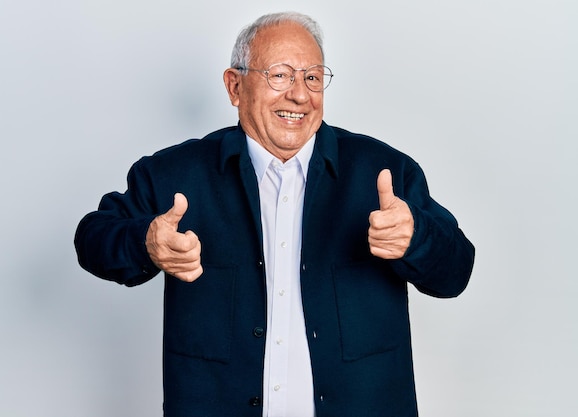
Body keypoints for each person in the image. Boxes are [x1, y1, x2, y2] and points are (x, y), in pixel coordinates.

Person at [74, 11, 475, 417]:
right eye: (280, 75)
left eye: (313, 78)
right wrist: (144, 242)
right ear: (235, 86)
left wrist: (415, 238)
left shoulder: (383, 172)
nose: (300, 95)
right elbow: (91, 238)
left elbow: (457, 270)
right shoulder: (176, 175)